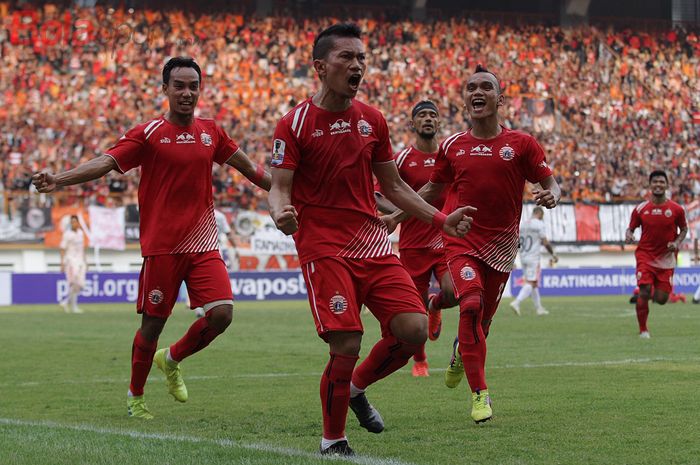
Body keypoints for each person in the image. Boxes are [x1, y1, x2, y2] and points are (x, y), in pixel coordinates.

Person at [268, 23, 474, 456]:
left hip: (373, 243)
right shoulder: (294, 123)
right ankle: (333, 440)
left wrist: (441, 220)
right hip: (323, 247)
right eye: (348, 57)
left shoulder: (372, 120)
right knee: (346, 341)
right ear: (321, 66)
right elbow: (279, 185)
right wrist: (279, 212)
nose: (358, 65)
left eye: (362, 57)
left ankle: (357, 388)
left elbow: (395, 187)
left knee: (414, 330)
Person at [32, 56, 271, 419]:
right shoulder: (149, 134)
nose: (187, 93)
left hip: (204, 244)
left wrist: (292, 192)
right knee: (152, 326)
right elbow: (106, 162)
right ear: (165, 89)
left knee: (222, 314)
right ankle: (136, 396)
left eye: (193, 86)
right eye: (179, 85)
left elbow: (252, 170)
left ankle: (171, 359)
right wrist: (60, 179)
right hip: (162, 248)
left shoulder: (212, 132)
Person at [384, 64, 560, 424]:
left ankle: (460, 354)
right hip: (460, 240)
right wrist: (395, 218)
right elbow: (431, 191)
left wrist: (551, 194)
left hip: (502, 248)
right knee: (471, 304)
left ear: (500, 98)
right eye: (470, 88)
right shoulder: (454, 146)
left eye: (485, 87)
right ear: (465, 99)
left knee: (482, 323)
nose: (476, 92)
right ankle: (481, 396)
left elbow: (551, 181)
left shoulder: (522, 144)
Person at [374, 100, 458, 377]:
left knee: (453, 291)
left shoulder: (449, 157)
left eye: (433, 115)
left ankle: (438, 305)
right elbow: (376, 194)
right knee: (415, 309)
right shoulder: (401, 159)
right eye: (422, 115)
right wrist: (405, 212)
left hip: (445, 239)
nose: (428, 119)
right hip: (412, 245)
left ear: (438, 122)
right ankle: (420, 359)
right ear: (413, 124)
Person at [625, 170, 688, 338]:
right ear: (650, 185)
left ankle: (650, 290)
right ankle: (643, 330)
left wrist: (676, 243)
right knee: (644, 291)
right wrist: (629, 234)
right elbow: (631, 228)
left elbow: (684, 229)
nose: (658, 184)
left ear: (666, 185)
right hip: (645, 255)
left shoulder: (676, 209)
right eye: (655, 182)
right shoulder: (641, 209)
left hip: (666, 259)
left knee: (661, 299)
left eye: (661, 182)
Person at [509, 206, 558, 316]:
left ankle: (539, 308)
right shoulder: (539, 224)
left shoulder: (522, 224)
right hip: (533, 257)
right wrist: (553, 254)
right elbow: (545, 242)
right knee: (531, 283)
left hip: (523, 256)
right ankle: (516, 302)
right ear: (540, 214)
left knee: (534, 283)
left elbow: (516, 241)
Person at [59, 215, 87, 314]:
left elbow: (82, 249)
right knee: (73, 282)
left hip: (80, 261)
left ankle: (66, 301)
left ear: (78, 223)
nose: (74, 224)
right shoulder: (67, 234)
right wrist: (62, 263)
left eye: (75, 222)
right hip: (70, 260)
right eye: (72, 222)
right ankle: (73, 307)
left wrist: (85, 261)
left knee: (80, 284)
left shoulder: (80, 233)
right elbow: (62, 248)